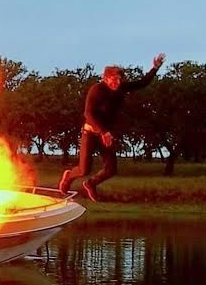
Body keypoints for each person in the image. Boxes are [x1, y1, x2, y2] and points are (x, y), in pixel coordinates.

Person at [58, 53, 166, 201]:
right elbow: (88, 113)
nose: (118, 83)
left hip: (106, 134)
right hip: (91, 132)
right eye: (114, 80)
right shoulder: (96, 90)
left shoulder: (121, 88)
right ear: (106, 79)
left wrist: (155, 68)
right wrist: (103, 131)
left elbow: (142, 83)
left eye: (120, 80)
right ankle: (68, 176)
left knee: (111, 169)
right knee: (84, 169)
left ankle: (91, 183)